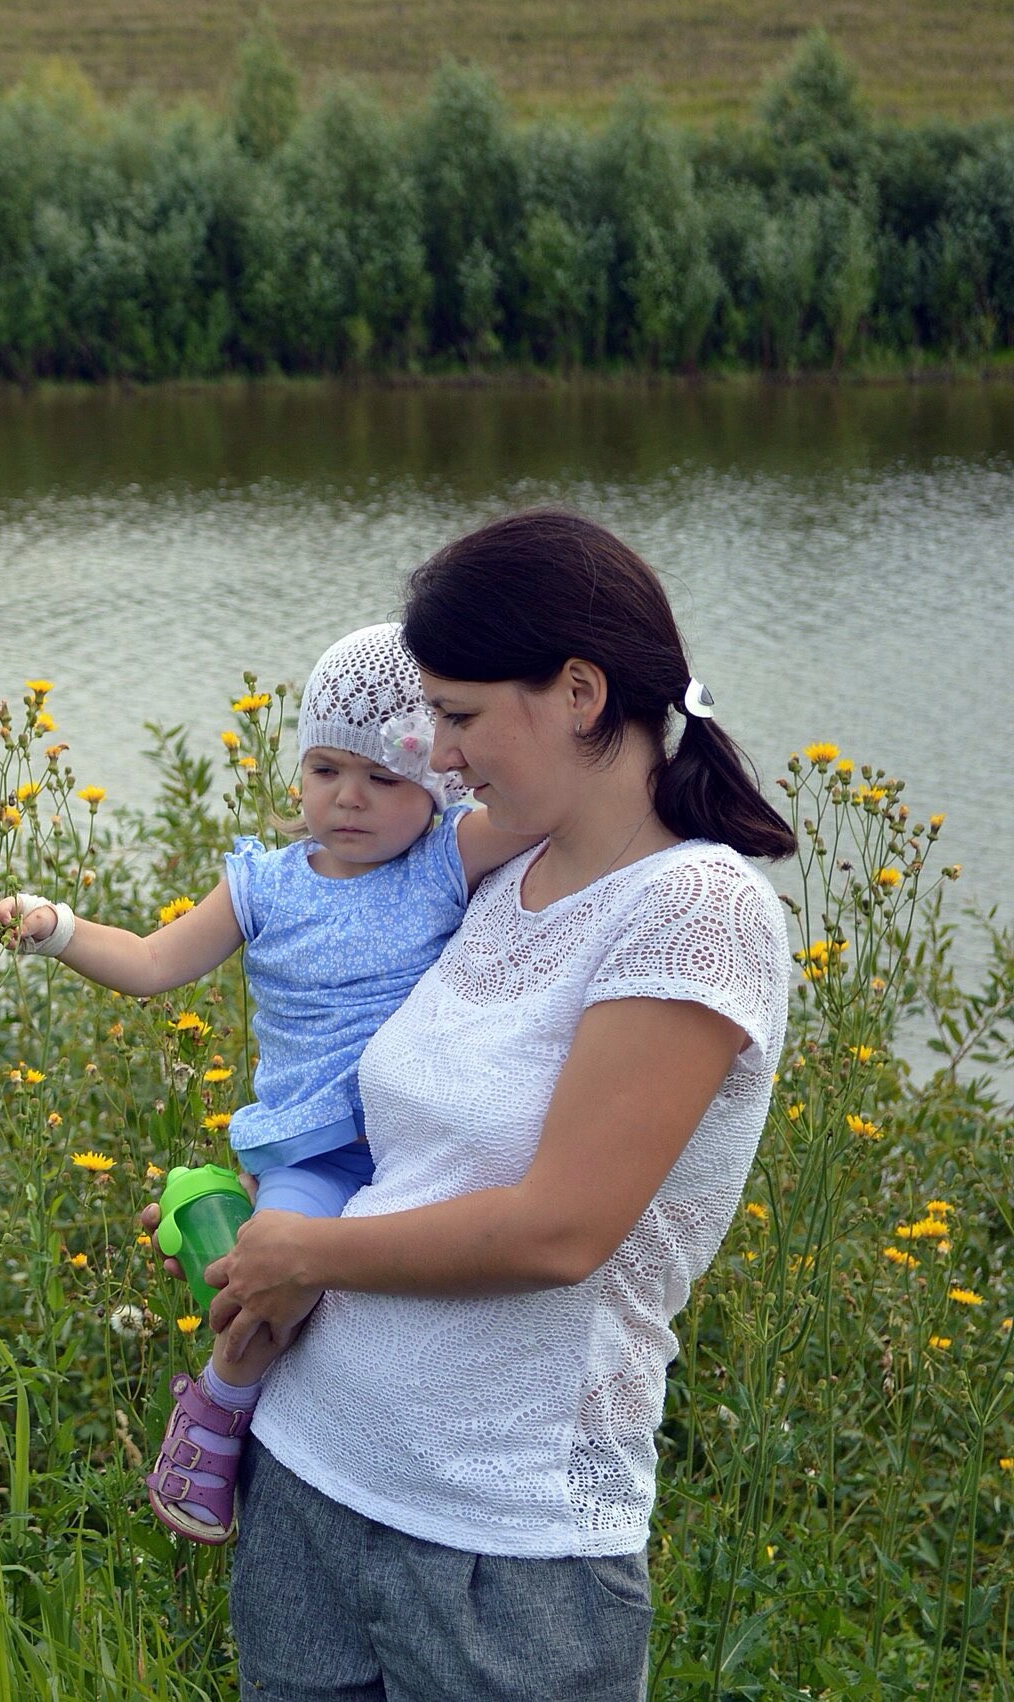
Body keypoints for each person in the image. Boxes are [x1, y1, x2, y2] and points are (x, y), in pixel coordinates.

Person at [193, 509, 796, 1700]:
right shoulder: (498, 868)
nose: (441, 752)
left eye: (459, 716)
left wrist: (303, 1247)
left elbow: (557, 1230)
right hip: (312, 1478)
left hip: (499, 1549)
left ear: (579, 691)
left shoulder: (695, 913)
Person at [0, 621, 538, 1543]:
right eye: (325, 770)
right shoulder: (265, 886)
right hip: (318, 1145)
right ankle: (215, 1413)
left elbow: (549, 805)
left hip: (422, 1137)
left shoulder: (449, 856)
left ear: (437, 781)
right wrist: (56, 928)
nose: (348, 799)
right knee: (272, 1281)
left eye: (383, 778)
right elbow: (154, 962)